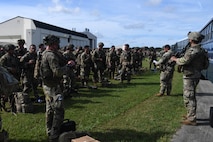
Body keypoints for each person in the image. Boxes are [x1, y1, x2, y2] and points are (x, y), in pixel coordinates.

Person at [40, 35, 75, 142]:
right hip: (53, 87)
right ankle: (55, 135)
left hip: (47, 85)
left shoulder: (45, 54)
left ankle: (49, 131)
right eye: (56, 43)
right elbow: (57, 72)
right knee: (59, 110)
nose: (58, 45)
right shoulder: (51, 56)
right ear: (53, 44)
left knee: (49, 109)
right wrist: (68, 66)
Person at [171, 31, 206, 126]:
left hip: (190, 75)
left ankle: (192, 118)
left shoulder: (193, 50)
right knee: (189, 95)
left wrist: (175, 59)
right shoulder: (201, 50)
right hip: (194, 74)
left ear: (191, 39)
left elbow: (184, 61)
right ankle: (189, 114)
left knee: (189, 96)